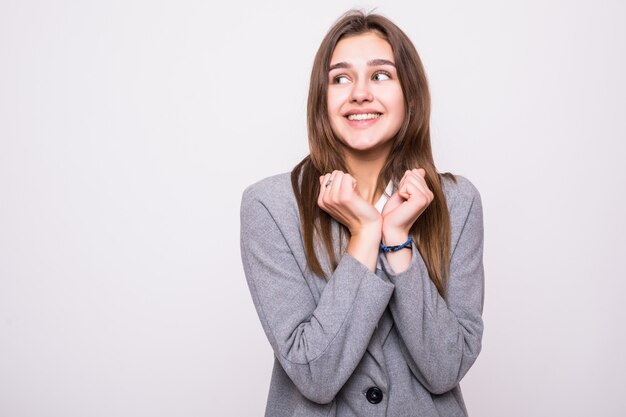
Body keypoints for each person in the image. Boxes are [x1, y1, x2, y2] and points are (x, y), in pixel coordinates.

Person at [240, 10, 484, 417]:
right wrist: (366, 234)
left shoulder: (458, 203)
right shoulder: (269, 206)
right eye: (340, 78)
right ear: (323, 99)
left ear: (411, 93)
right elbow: (314, 374)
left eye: (381, 75)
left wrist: (398, 243)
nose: (359, 93)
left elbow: (446, 370)